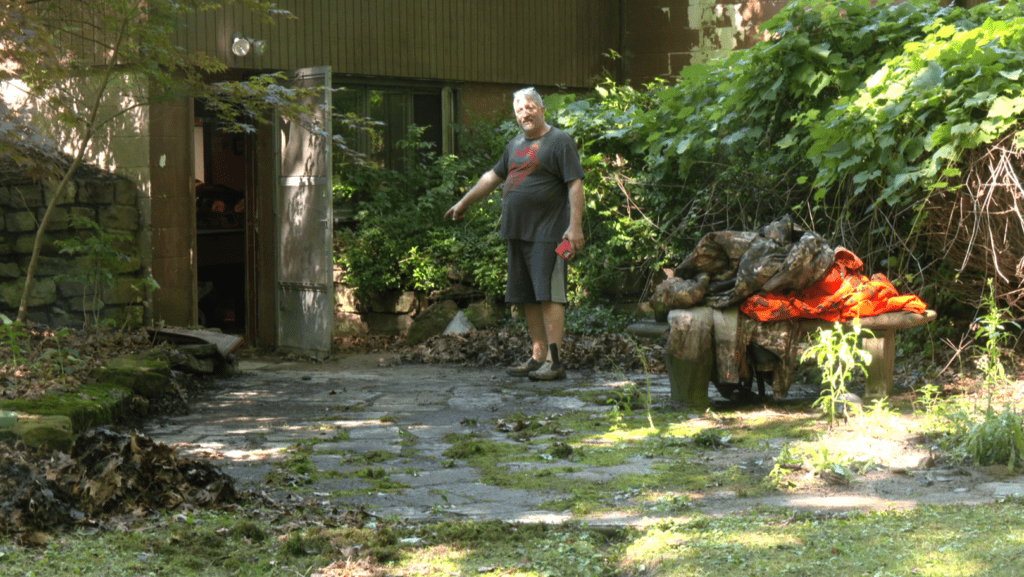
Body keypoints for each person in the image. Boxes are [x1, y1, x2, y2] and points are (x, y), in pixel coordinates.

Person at [444, 87, 585, 381]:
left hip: (552, 234)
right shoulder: (515, 145)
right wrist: (463, 202)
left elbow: (575, 184)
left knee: (550, 294)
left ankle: (555, 361)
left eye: (530, 107)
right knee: (527, 295)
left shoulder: (559, 141)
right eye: (520, 110)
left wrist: (575, 227)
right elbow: (492, 177)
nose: (525, 113)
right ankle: (537, 357)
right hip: (518, 233)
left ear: (543, 109)